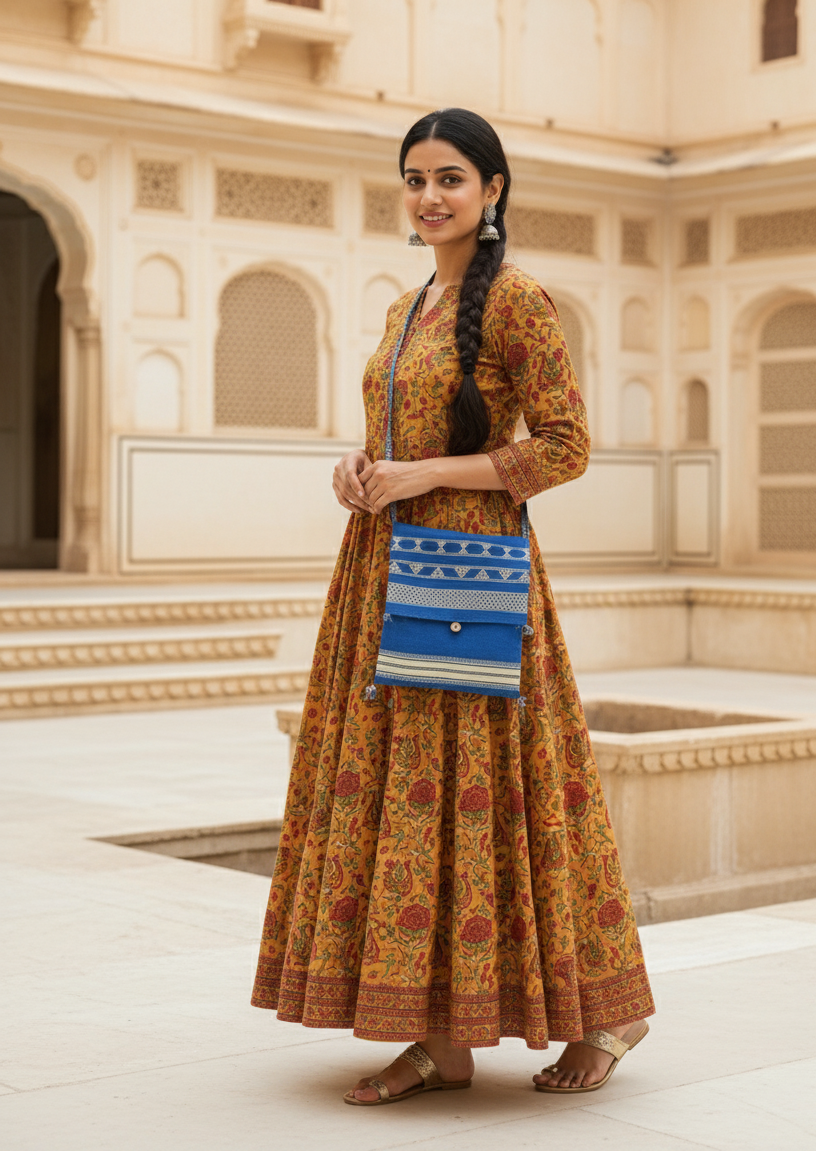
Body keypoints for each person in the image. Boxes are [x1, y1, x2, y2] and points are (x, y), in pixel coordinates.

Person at [252, 107, 655, 1105]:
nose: (430, 197)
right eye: (416, 179)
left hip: (472, 577)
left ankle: (609, 1013)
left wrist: (422, 472)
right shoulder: (408, 307)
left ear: (493, 191)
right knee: (407, 796)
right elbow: (391, 436)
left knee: (498, 794)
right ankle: (442, 1037)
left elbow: (564, 445)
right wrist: (360, 470)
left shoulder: (519, 301)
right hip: (385, 570)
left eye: (451, 179)